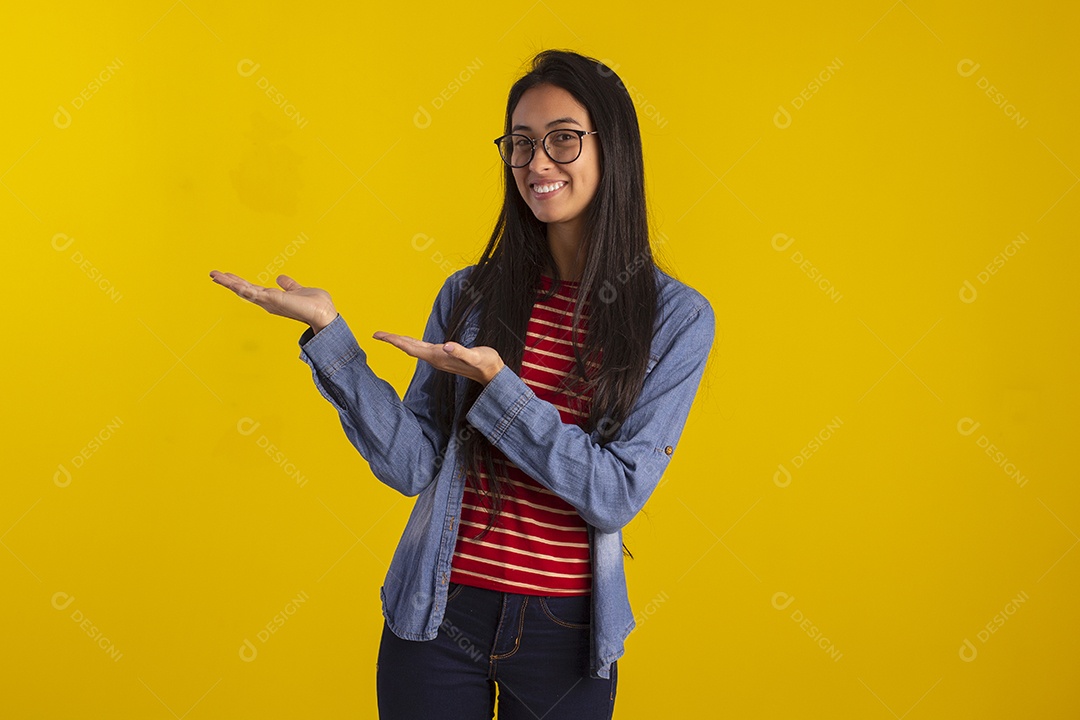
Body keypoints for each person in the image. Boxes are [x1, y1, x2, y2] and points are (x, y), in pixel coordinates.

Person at [210, 48, 714, 720]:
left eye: (562, 139)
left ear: (613, 147)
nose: (537, 164)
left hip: (567, 637)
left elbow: (614, 494)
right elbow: (411, 462)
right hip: (437, 616)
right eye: (521, 143)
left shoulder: (675, 319)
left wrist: (498, 389)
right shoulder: (471, 296)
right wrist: (330, 338)